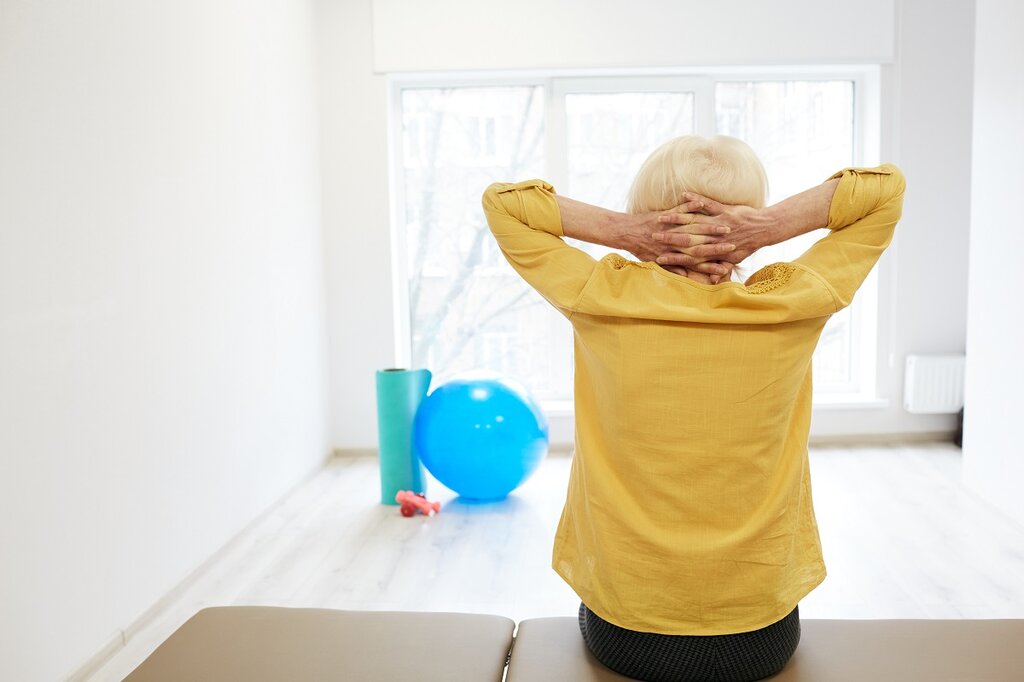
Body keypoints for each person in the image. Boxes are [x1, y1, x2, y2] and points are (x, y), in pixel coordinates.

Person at [482, 134, 905, 682]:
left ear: (648, 217)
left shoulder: (602, 295)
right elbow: (884, 192)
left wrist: (625, 233)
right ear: (745, 219)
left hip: (628, 631)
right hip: (762, 636)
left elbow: (504, 204)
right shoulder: (795, 301)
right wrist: (768, 226)